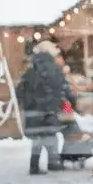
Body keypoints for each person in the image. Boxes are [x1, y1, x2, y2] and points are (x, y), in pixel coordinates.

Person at [17, 40, 74, 175]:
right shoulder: (56, 70)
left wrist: (28, 104)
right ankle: (53, 163)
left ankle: (34, 165)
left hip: (33, 111)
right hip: (51, 110)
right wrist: (69, 101)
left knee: (37, 138)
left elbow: (19, 91)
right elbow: (64, 89)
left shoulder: (30, 72)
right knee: (51, 135)